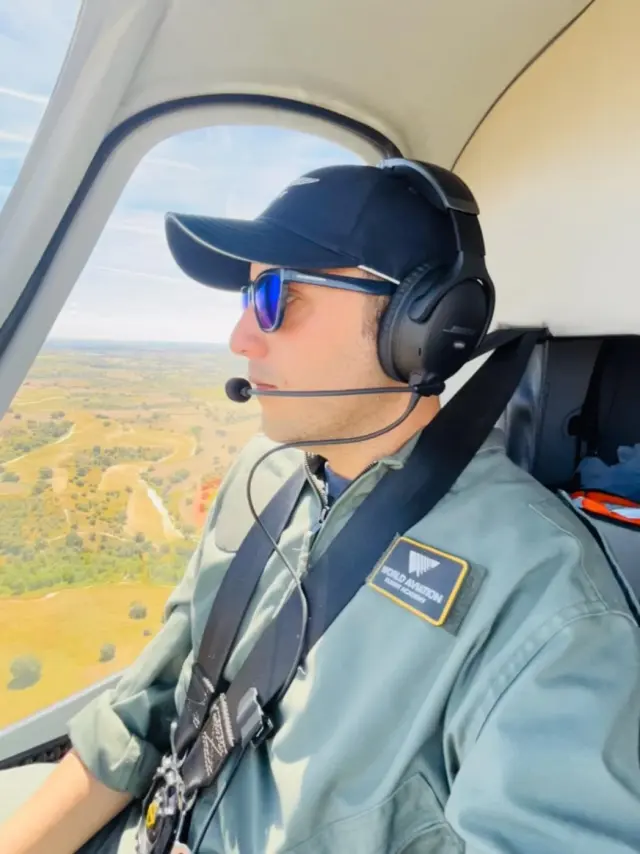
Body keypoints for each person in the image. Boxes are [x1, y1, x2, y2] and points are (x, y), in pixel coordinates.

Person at [2, 160, 640, 854]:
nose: (241, 338)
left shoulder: (545, 594)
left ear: (421, 322)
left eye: (276, 296)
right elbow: (141, 719)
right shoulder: (262, 476)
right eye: (246, 301)